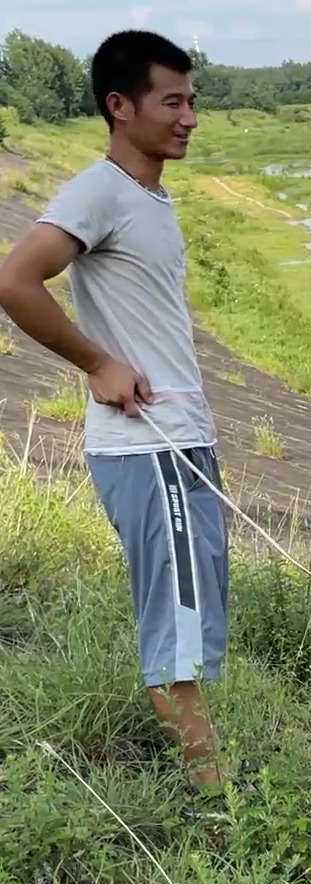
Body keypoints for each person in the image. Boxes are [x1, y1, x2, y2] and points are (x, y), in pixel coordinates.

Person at [0, 30, 229, 792]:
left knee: (191, 624)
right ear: (120, 106)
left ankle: (215, 782)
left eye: (193, 99)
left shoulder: (149, 197)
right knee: (175, 632)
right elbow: (16, 280)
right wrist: (97, 362)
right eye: (173, 100)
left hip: (180, 439)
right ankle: (220, 804)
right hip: (146, 447)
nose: (190, 115)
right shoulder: (98, 191)